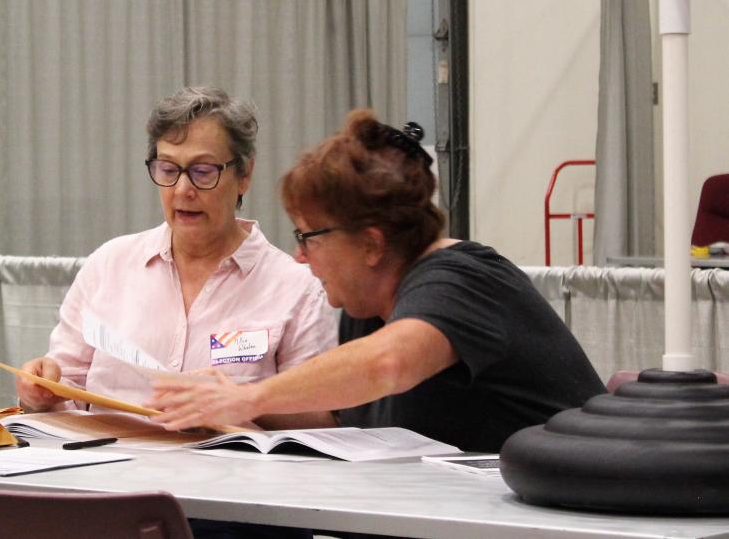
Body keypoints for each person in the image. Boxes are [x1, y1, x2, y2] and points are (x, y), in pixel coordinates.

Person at [151, 110, 606, 455]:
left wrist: (248, 397)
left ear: (371, 245)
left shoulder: (462, 279)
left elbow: (389, 363)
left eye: (308, 236)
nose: (300, 255)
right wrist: (217, 402)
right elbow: (340, 420)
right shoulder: (367, 304)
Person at [15, 86, 337, 421]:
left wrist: (243, 402)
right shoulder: (109, 266)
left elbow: (319, 424)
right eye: (168, 170)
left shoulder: (296, 288)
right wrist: (41, 392)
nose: (183, 190)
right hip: (110, 467)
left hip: (231, 469)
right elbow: (67, 392)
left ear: (244, 174)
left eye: (203, 172)